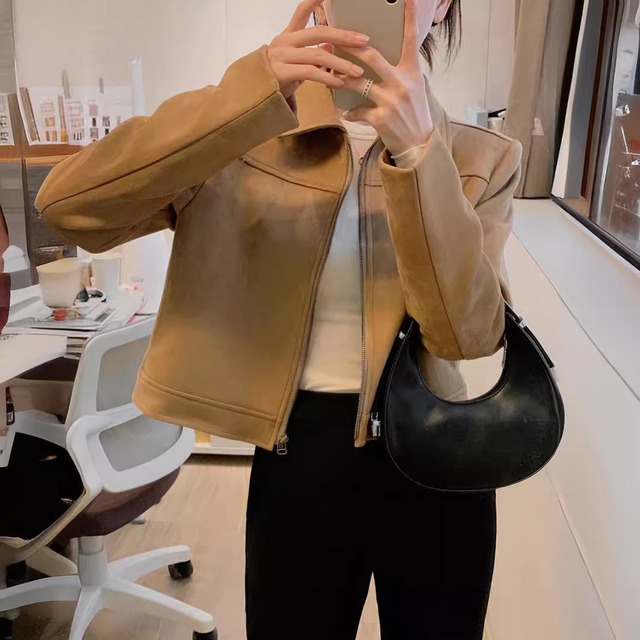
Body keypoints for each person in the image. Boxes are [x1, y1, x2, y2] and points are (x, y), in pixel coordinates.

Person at [35, 0, 522, 637]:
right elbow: (68, 209)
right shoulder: (243, 134)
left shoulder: (481, 157)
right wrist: (250, 93)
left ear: (445, 6)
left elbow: (468, 336)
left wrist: (420, 155)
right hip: (301, 450)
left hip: (440, 448)